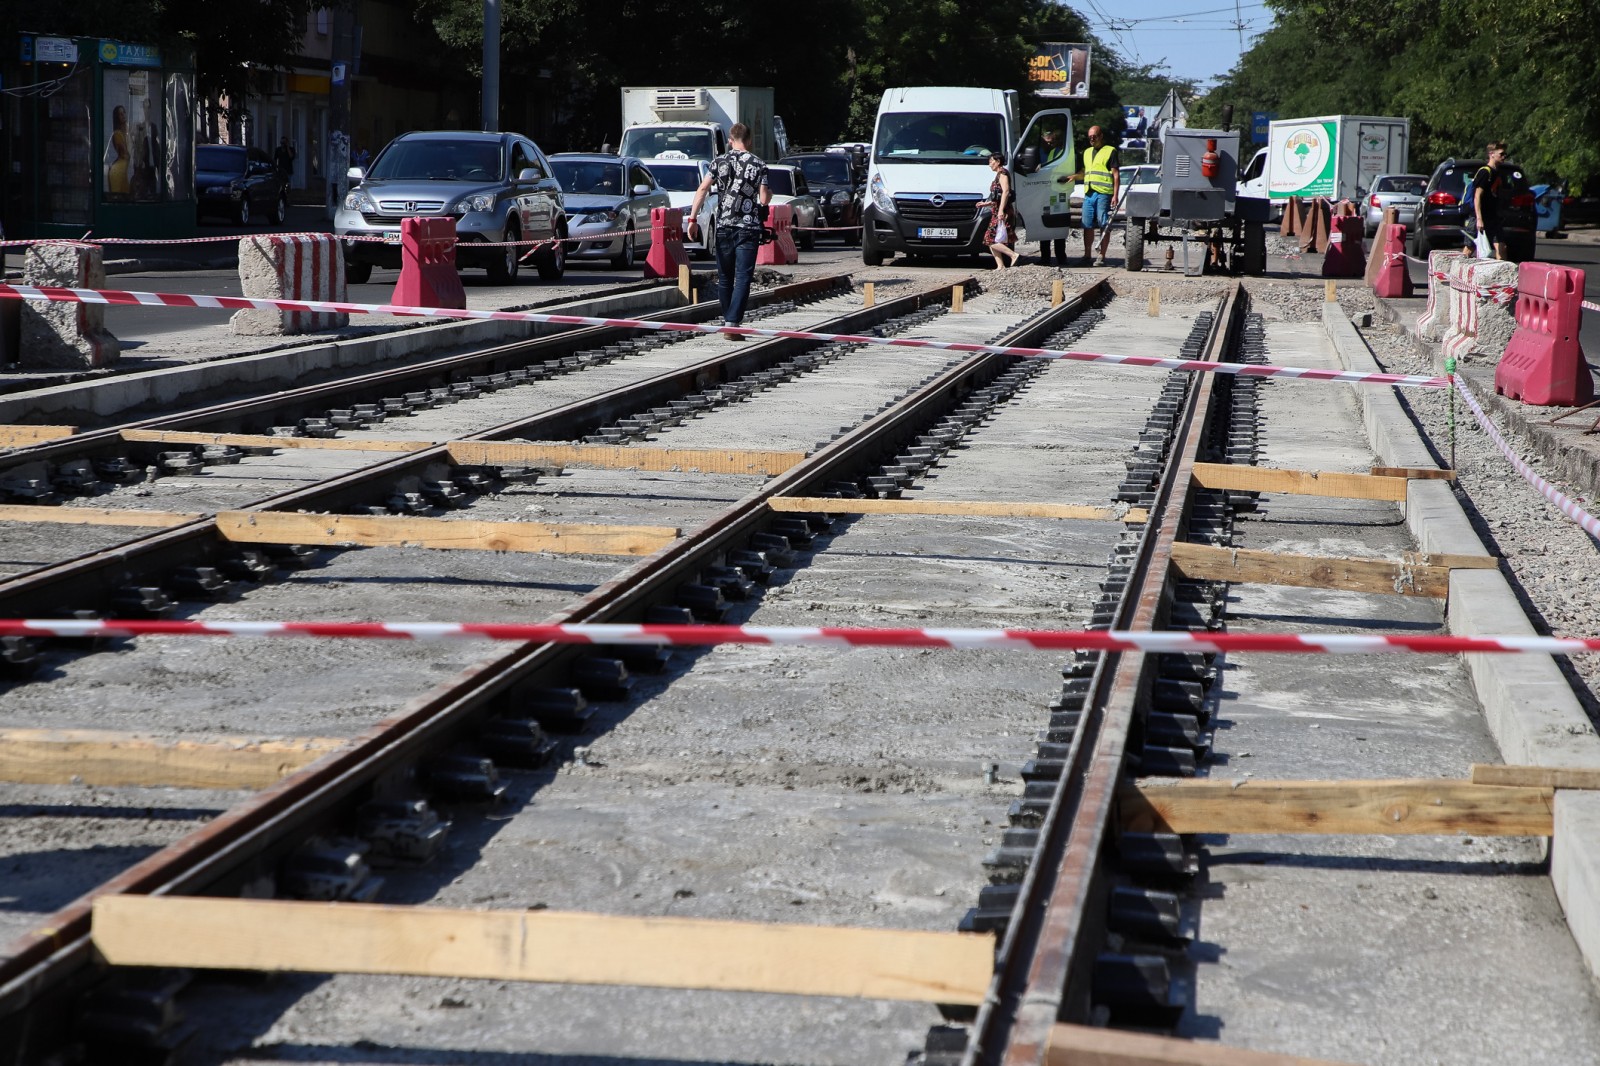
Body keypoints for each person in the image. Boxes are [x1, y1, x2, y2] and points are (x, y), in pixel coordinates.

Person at [689, 122, 771, 339]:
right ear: (750, 140)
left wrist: (692, 218)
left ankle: (729, 321)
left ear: (730, 140)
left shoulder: (718, 162)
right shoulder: (759, 164)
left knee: (725, 277)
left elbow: (703, 188)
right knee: (743, 277)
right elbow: (763, 198)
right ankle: (732, 322)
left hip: (724, 226)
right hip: (748, 228)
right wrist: (767, 198)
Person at [1069, 125, 1119, 266]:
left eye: (1094, 136)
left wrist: (1115, 195)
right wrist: (1076, 176)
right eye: (1090, 137)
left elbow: (1115, 174)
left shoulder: (1110, 151)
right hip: (1089, 193)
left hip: (1103, 192)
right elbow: (1087, 171)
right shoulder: (1087, 152)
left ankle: (1101, 256)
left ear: (1101, 136)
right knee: (1087, 224)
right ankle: (1087, 255)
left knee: (1103, 223)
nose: (1092, 139)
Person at [980, 151, 1021, 269]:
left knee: (990, 239)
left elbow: (1006, 192)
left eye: (991, 161)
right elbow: (997, 195)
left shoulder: (1003, 173)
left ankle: (1013, 255)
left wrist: (1001, 210)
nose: (990, 164)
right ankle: (1000, 266)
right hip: (997, 210)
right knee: (991, 239)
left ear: (998, 162)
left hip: (1002, 211)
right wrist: (986, 203)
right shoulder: (998, 174)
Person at [1035, 125, 1069, 266]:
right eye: (1047, 142)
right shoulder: (1049, 153)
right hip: (1049, 192)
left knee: (1056, 224)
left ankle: (1056, 257)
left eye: (1052, 142)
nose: (1049, 144)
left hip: (1058, 192)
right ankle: (1050, 257)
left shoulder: (1060, 153)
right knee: (1048, 223)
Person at [1470, 141, 1510, 260]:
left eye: (1505, 154)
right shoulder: (1484, 172)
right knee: (1469, 248)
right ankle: (1457, 273)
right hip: (1479, 216)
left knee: (1501, 247)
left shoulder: (1497, 172)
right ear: (1491, 154)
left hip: (1493, 217)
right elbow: (1477, 196)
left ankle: (1502, 276)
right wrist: (1479, 219)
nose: (1504, 156)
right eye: (1501, 154)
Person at [105, 106, 131, 197]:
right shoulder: (117, 134)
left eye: (124, 112)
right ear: (117, 118)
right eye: (120, 114)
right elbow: (126, 155)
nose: (123, 115)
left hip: (124, 171)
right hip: (118, 172)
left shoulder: (127, 132)